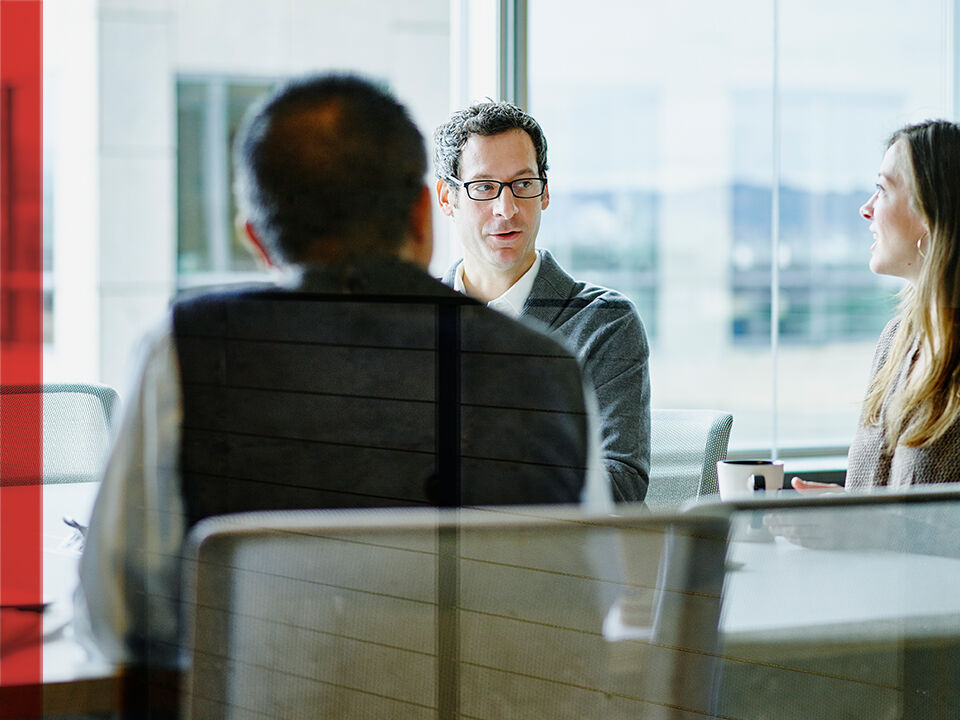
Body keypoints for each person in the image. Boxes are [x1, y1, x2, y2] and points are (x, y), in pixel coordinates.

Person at [75, 74, 607, 667]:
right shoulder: (546, 366)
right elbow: (594, 599)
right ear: (424, 215)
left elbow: (118, 618)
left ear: (257, 241)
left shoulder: (187, 350)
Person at [434, 102, 651, 503]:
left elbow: (622, 486)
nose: (507, 209)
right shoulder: (406, 319)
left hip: (548, 544)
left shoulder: (604, 322)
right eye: (484, 187)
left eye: (523, 184)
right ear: (448, 198)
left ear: (545, 192)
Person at [790, 120, 960, 494]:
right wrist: (846, 507)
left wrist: (864, 521)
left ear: (929, 214)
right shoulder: (896, 340)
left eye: (882, 189)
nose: (866, 209)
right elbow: (885, 501)